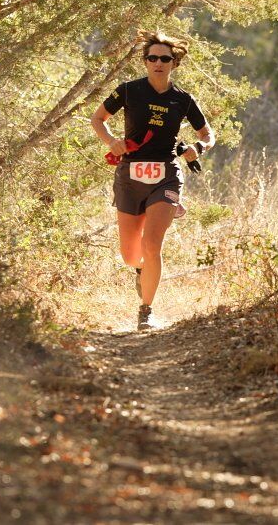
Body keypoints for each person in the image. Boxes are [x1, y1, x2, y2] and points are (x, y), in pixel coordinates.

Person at [91, 30, 215, 330]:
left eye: (164, 58)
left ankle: (146, 311)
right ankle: (140, 272)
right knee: (130, 254)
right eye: (152, 58)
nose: (158, 63)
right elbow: (98, 120)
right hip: (130, 176)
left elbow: (208, 134)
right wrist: (112, 142)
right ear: (145, 62)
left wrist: (196, 149)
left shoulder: (183, 99)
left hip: (167, 175)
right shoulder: (129, 90)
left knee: (152, 244)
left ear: (175, 63)